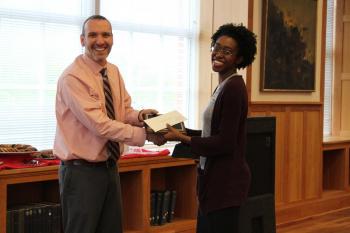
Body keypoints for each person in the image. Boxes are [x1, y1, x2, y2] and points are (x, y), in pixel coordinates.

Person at [54, 15, 165, 233]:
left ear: (112, 38)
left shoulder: (113, 71)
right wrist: (146, 136)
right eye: (93, 35)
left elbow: (123, 111)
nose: (100, 41)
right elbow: (101, 125)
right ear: (82, 40)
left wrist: (142, 116)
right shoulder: (73, 78)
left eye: (106, 34)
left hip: (110, 167)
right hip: (81, 173)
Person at [164, 23, 257, 233]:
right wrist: (181, 132)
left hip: (226, 183)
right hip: (213, 180)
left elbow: (225, 142)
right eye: (216, 46)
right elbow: (212, 133)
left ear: (240, 58)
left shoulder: (233, 88)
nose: (218, 53)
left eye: (227, 51)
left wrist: (183, 137)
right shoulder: (223, 85)